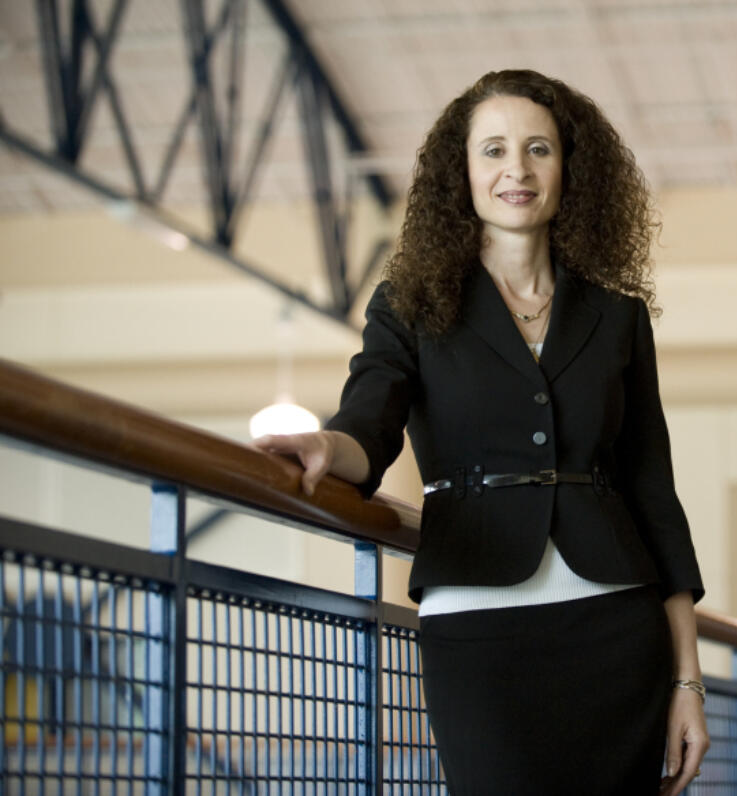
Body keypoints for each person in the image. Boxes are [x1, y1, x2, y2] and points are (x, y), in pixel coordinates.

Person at [255, 69, 708, 796]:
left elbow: (654, 493)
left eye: (539, 149)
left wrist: (687, 681)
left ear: (570, 170)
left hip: (617, 634)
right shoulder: (409, 303)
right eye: (493, 150)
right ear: (459, 173)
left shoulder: (616, 315)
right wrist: (323, 447)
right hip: (479, 631)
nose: (516, 171)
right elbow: (369, 423)